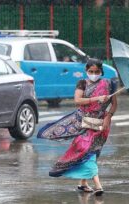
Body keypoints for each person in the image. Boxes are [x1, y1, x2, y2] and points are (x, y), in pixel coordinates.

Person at [37, 58, 117, 196]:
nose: (93, 73)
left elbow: (114, 104)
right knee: (87, 150)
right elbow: (77, 100)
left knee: (93, 152)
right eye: (91, 71)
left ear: (101, 71)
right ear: (86, 71)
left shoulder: (108, 84)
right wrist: (96, 99)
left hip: (101, 123)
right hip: (84, 121)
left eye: (97, 71)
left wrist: (108, 117)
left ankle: (83, 183)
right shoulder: (82, 83)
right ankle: (98, 185)